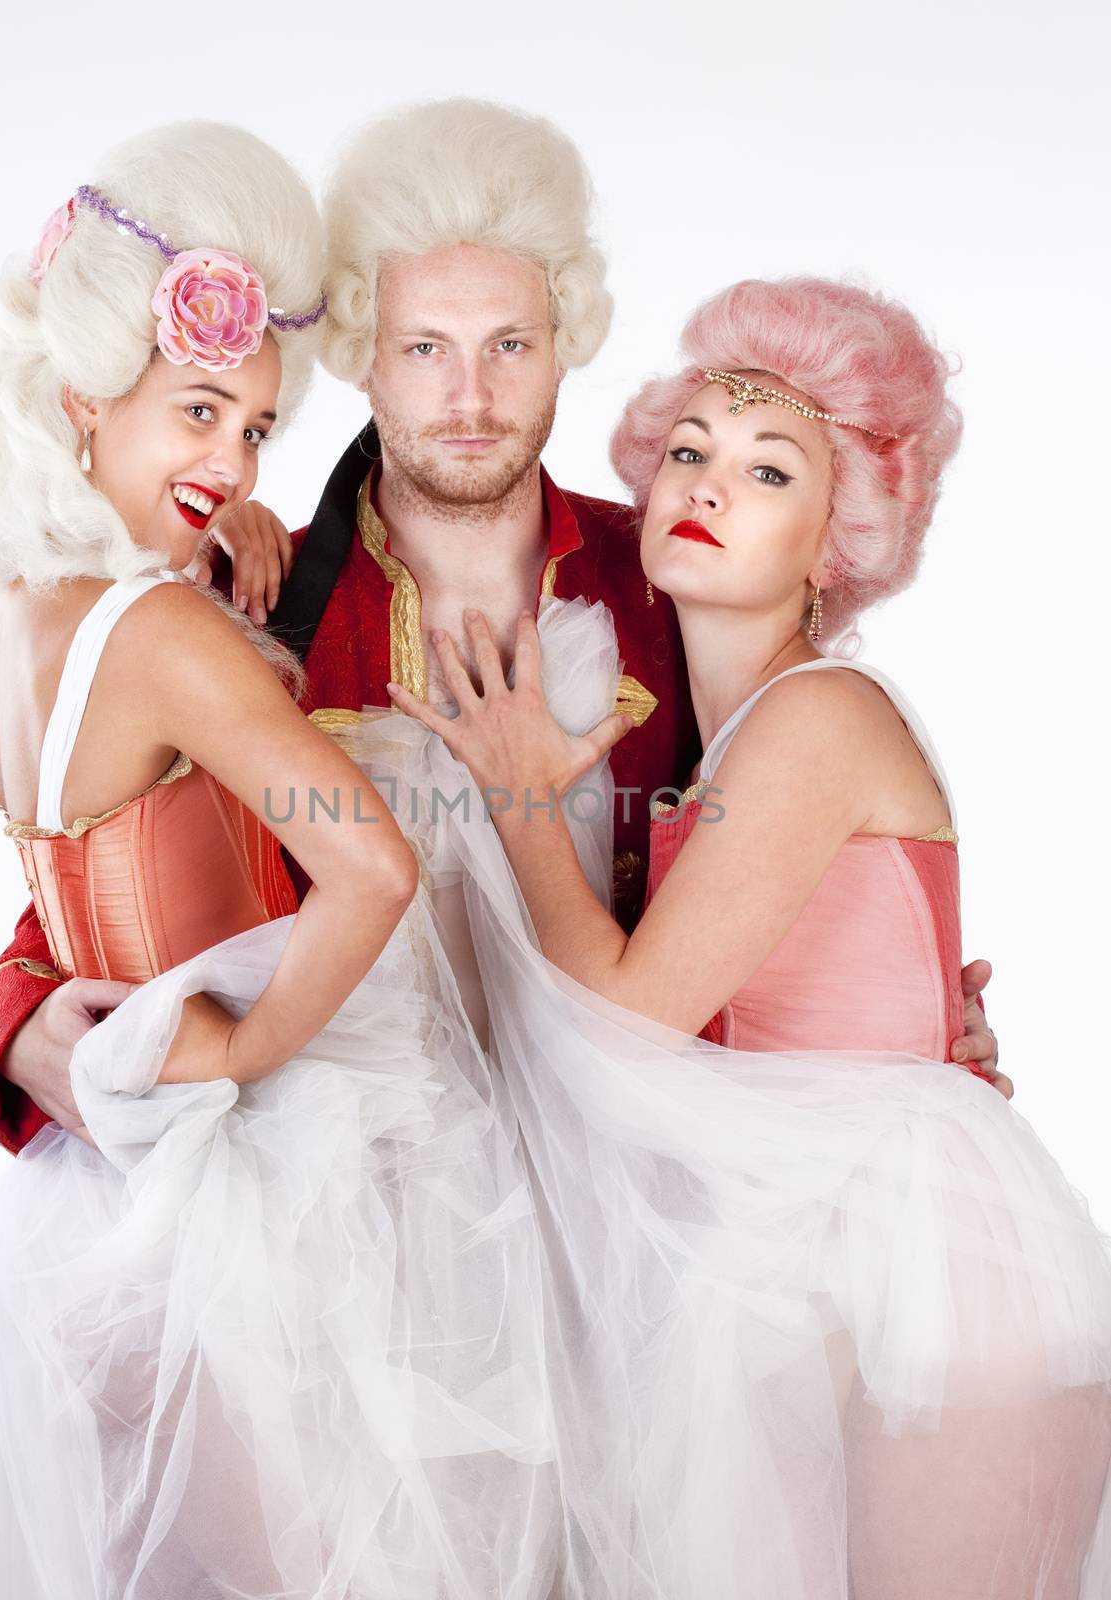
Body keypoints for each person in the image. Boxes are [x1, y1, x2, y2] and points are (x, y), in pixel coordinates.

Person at [0, 99, 1005, 1155]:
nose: (469, 395)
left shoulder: (675, 586)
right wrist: (11, 1028)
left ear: (564, 348)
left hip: (633, 1224)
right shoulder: (248, 597)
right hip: (354, 1233)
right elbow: (96, 876)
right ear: (363, 355)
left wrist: (901, 1042)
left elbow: (797, 856)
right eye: (422, 347)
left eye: (509, 343)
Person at [0, 122, 556, 1598]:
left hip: (94, 1203)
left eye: (257, 426)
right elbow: (376, 872)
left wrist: (204, 527)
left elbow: (97, 887)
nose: (234, 457)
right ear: (81, 401)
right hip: (260, 1184)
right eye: (201, 410)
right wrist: (253, 1043)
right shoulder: (167, 632)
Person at [392, 276, 1111, 1597]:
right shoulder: (729, 730)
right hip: (802, 1253)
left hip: (912, 1273)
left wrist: (520, 799)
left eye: (769, 469)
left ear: (839, 539)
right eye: (688, 452)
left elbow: (624, 1015)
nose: (708, 488)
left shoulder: (813, 720)